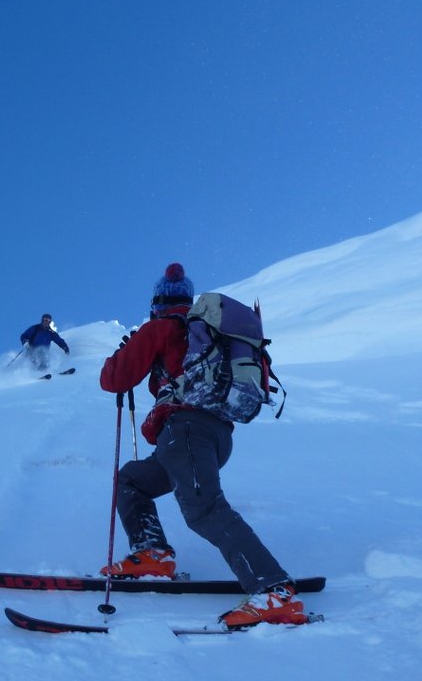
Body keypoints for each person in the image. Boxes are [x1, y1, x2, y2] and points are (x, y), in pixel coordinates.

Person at [98, 263, 306, 628]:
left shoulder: (161, 328)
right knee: (132, 479)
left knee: (204, 510)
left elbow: (114, 378)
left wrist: (128, 349)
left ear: (158, 302)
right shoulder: (207, 335)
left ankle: (274, 590)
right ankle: (152, 554)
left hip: (186, 432)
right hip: (210, 436)